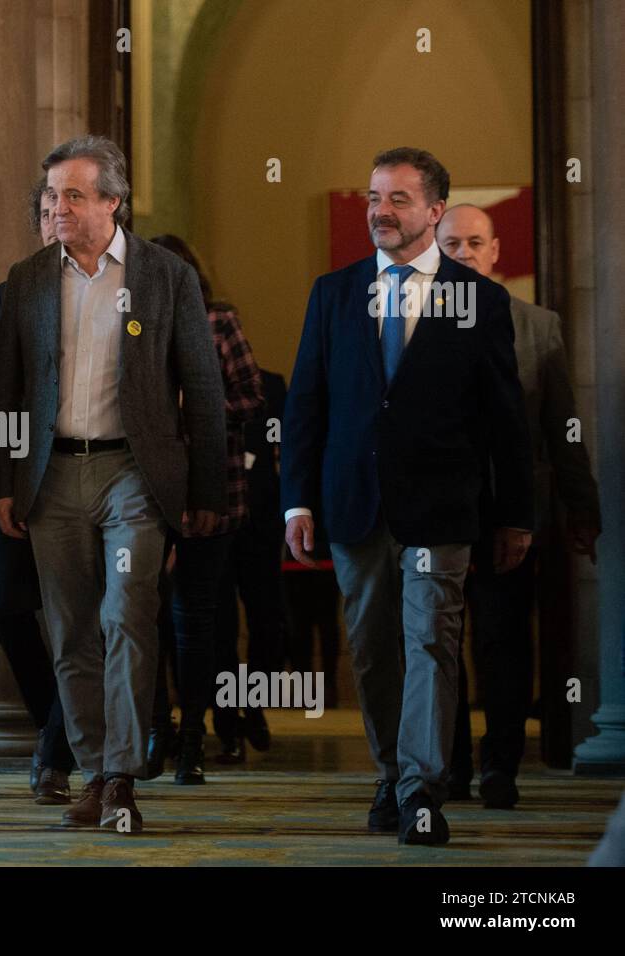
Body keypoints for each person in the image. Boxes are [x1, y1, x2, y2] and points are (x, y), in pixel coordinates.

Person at [281, 148, 533, 846]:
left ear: (433, 210)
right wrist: (295, 501)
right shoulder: (334, 292)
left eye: (396, 199)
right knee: (373, 652)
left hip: (442, 509)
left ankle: (424, 790)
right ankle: (392, 773)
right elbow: (306, 404)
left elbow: (504, 418)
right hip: (355, 505)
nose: (379, 212)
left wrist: (515, 513)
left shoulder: (480, 299)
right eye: (372, 197)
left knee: (430, 641)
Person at [0, 135, 227, 832]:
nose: (57, 207)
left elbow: (203, 387)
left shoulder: (164, 277)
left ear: (113, 202)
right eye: (50, 196)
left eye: (73, 194)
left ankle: (123, 773)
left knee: (126, 612)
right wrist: (1, 481)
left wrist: (207, 492)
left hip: (135, 474)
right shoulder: (28, 278)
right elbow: (4, 390)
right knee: (69, 631)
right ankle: (93, 770)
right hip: (51, 475)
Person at [437, 203, 601, 809]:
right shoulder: (413, 317)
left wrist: (582, 508)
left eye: (475, 242)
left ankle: (500, 765)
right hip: (439, 507)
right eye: (451, 243)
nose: (464, 254)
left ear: (496, 250)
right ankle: (449, 767)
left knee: (504, 641)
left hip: (513, 510)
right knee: (437, 640)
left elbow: (564, 426)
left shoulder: (538, 325)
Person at [143, 235, 264, 783]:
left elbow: (251, 395)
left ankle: (196, 735)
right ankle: (155, 729)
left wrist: (200, 404)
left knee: (198, 620)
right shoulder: (134, 319)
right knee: (140, 617)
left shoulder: (218, 321)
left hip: (215, 488)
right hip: (147, 489)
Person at [0, 180, 77, 804]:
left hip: (93, 472)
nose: (52, 222)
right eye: (43, 213)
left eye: (61, 210)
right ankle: (56, 723)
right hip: (23, 478)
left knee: (84, 622)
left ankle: (58, 753)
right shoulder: (15, 289)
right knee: (7, 608)